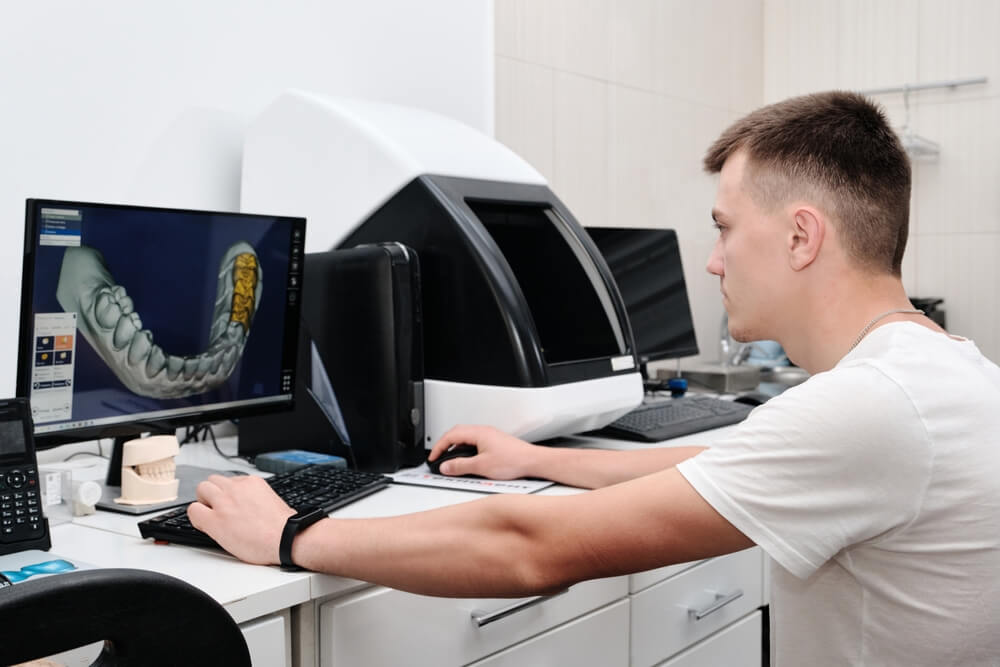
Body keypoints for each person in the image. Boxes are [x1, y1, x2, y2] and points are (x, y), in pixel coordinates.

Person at [188, 91, 1000, 665]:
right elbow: (715, 463)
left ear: (800, 236)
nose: (713, 260)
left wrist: (291, 535)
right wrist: (540, 458)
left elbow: (538, 548)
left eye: (724, 229)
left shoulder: (867, 408)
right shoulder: (936, 369)